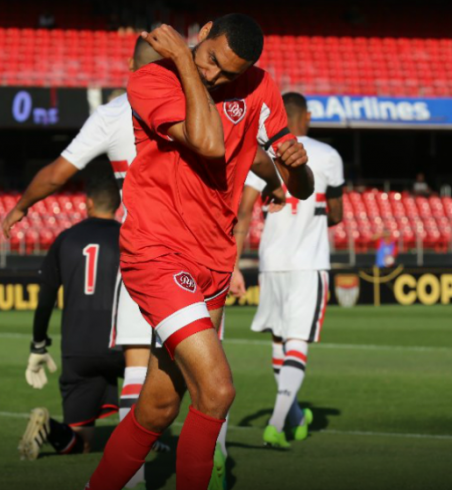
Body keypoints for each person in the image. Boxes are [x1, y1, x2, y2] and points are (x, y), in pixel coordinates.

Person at [83, 14, 313, 490]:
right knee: (217, 391)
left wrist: (297, 166)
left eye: (229, 74)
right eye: (210, 60)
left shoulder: (261, 87)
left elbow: (301, 188)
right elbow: (208, 142)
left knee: (159, 406)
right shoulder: (152, 78)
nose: (214, 76)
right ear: (203, 31)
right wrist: (188, 62)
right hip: (157, 251)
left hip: (212, 260)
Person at [1, 37, 165, 490]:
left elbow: (57, 171)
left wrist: (21, 206)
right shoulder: (190, 106)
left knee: (139, 362)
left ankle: (134, 476)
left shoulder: (113, 115)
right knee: (186, 371)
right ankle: (199, 455)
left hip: (141, 252)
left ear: (131, 64)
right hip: (188, 248)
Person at [232, 92, 345, 448]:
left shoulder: (266, 155)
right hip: (308, 263)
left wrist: (233, 264)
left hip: (271, 263)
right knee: (296, 343)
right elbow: (338, 214)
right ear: (307, 116)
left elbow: (243, 213)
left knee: (280, 343)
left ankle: (295, 416)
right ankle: (277, 423)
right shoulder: (327, 155)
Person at [18, 180, 125, 460]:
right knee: (154, 390)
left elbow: (45, 301)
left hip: (78, 347)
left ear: (88, 203)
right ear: (118, 206)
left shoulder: (66, 238)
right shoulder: (130, 236)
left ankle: (51, 427)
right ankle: (150, 440)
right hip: (123, 342)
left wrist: (38, 345)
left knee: (82, 443)